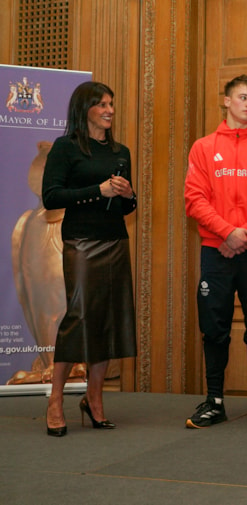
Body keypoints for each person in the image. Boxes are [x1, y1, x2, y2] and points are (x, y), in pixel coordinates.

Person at [184, 74, 247, 429]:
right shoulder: (202, 147)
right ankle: (214, 400)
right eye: (243, 97)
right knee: (214, 328)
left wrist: (243, 235)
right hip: (216, 251)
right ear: (226, 101)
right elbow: (194, 199)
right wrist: (228, 233)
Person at [42, 81, 138, 436]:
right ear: (85, 110)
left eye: (111, 103)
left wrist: (128, 194)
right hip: (81, 243)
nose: (109, 109)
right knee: (79, 316)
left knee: (108, 319)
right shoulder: (65, 148)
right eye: (102, 104)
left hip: (115, 241)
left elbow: (129, 206)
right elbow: (51, 197)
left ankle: (94, 401)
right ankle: (55, 399)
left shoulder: (120, 151)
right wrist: (96, 191)